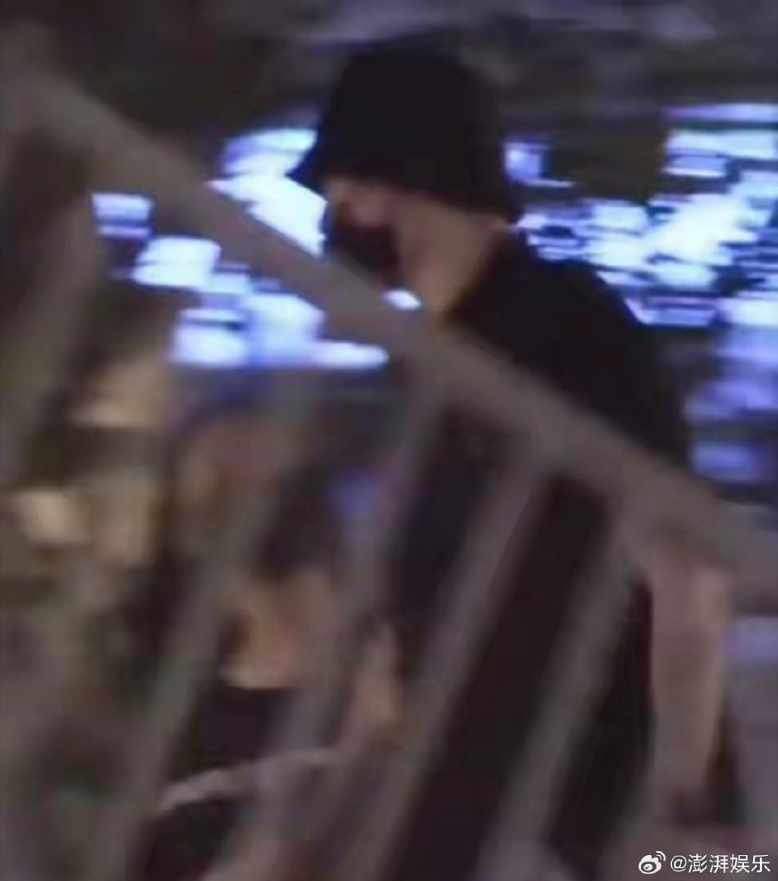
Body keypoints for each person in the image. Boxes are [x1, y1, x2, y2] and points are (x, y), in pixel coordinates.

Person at [289, 43, 741, 880]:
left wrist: (685, 810)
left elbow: (687, 576)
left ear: (409, 175)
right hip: (479, 819)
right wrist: (301, 848)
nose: (334, 215)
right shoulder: (420, 373)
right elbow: (398, 665)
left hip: (615, 819)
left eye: (346, 190)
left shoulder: (569, 326)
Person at [122, 400, 398, 881]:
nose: (241, 479)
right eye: (222, 476)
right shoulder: (170, 725)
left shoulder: (381, 662)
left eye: (262, 477)